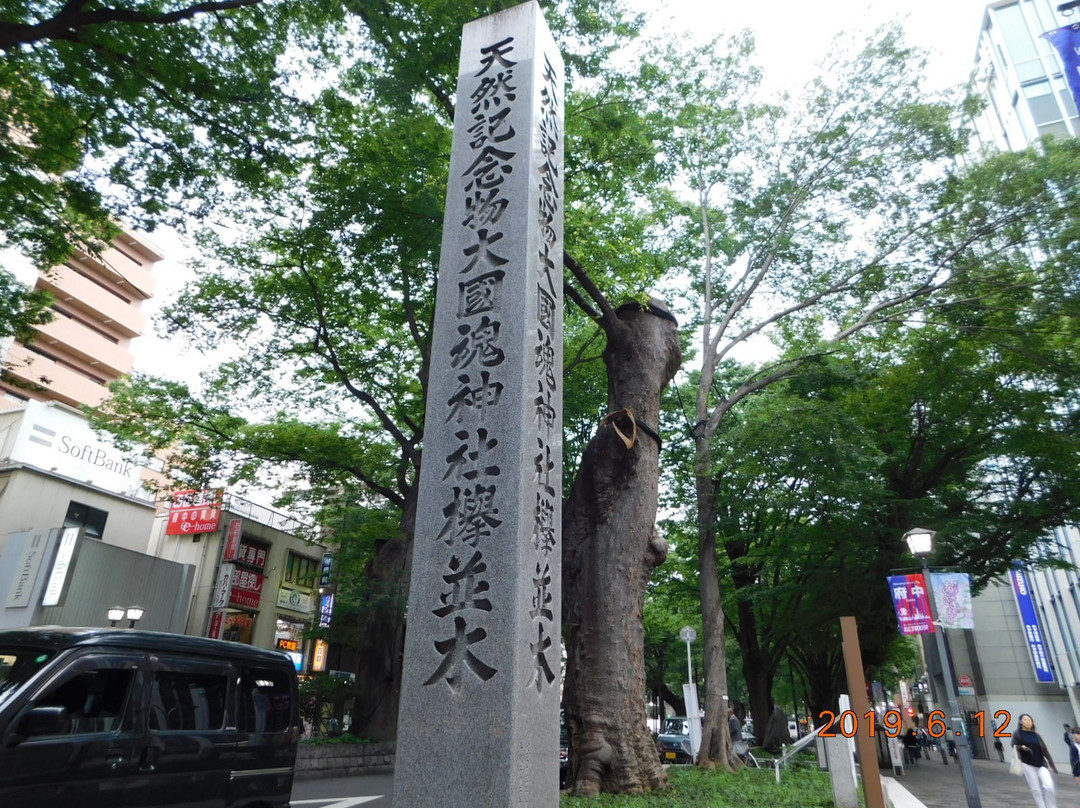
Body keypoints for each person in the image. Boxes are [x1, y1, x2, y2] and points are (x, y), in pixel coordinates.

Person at [1012, 713, 1058, 808]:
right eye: (1025, 720)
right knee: (1036, 790)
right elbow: (1013, 745)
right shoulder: (1018, 733)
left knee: (1049, 786)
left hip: (1041, 764)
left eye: (1029, 720)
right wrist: (1022, 747)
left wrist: (1052, 765)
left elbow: (1045, 750)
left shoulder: (1036, 735)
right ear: (1020, 722)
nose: (1027, 721)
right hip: (1027, 764)